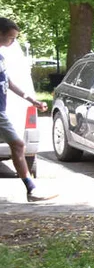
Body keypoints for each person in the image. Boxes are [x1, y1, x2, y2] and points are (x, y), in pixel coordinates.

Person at [0, 18, 55, 202]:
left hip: (1, 111)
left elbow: (8, 83)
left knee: (18, 145)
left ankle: (31, 190)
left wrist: (32, 100)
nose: (12, 42)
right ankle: (31, 190)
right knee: (18, 145)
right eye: (10, 38)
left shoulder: (1, 57)